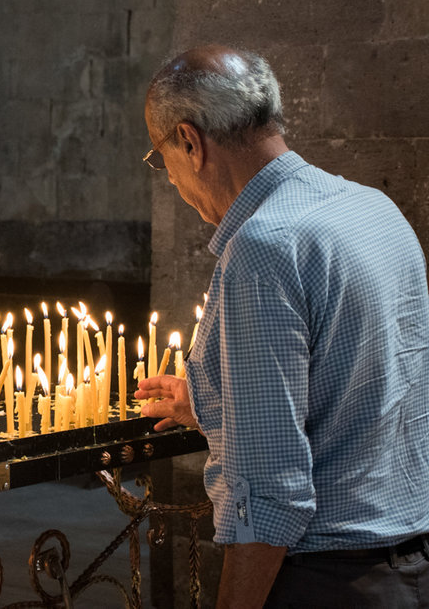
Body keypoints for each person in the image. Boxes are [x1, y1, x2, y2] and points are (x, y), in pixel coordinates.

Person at [134, 45, 429, 608]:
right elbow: (363, 391)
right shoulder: (374, 210)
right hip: (410, 566)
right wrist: (214, 399)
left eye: (159, 156)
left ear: (190, 142)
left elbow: (269, 493)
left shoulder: (263, 250)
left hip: (328, 581)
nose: (168, 177)